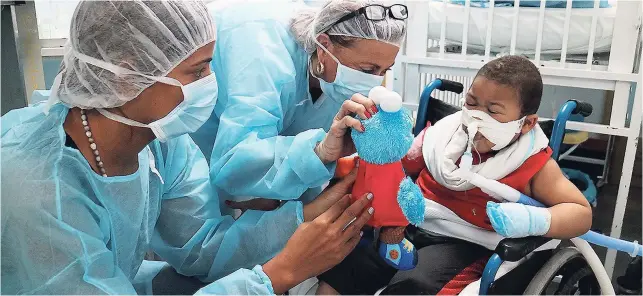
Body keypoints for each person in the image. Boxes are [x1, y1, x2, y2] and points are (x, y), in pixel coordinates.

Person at [0, 1, 375, 294]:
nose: (210, 85)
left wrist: (309, 215)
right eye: (197, 72)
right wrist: (278, 275)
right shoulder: (38, 188)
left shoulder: (161, 144)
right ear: (128, 75)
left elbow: (202, 247)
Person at [317, 55, 593, 295]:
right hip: (409, 225)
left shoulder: (533, 164)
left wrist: (530, 219)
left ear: (526, 124)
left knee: (415, 286)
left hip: (466, 242)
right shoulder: (442, 135)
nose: (476, 117)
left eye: (493, 111)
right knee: (344, 264)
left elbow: (580, 213)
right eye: (471, 103)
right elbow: (397, 168)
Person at [189, 0, 407, 211]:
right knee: (208, 218)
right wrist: (319, 152)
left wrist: (288, 201)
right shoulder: (264, 56)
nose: (374, 81)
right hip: (199, 121)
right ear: (323, 48)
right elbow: (234, 159)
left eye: (384, 71)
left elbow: (304, 161)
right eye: (368, 70)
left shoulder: (335, 79)